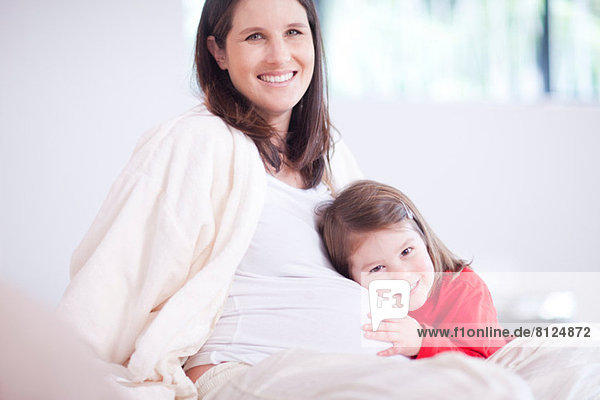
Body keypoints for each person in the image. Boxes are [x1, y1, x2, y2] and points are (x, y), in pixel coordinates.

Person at [56, 0, 540, 399]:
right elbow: (114, 274)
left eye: (294, 32)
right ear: (217, 52)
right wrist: (59, 372)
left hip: (358, 368)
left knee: (556, 372)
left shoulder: (330, 157)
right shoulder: (195, 143)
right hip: (248, 371)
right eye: (254, 37)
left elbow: (388, 262)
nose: (279, 55)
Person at [318, 180, 508, 359]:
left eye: (406, 251)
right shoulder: (365, 304)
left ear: (424, 239)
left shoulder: (465, 288)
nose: (401, 275)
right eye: (377, 268)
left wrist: (422, 341)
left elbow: (488, 360)